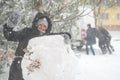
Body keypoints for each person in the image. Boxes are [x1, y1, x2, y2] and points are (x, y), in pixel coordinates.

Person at [3, 12, 52, 80]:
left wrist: (65, 37)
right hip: (17, 71)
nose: (42, 28)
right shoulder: (27, 32)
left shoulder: (47, 39)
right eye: (40, 25)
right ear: (36, 24)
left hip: (33, 74)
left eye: (44, 26)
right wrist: (9, 26)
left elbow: (57, 42)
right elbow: (10, 36)